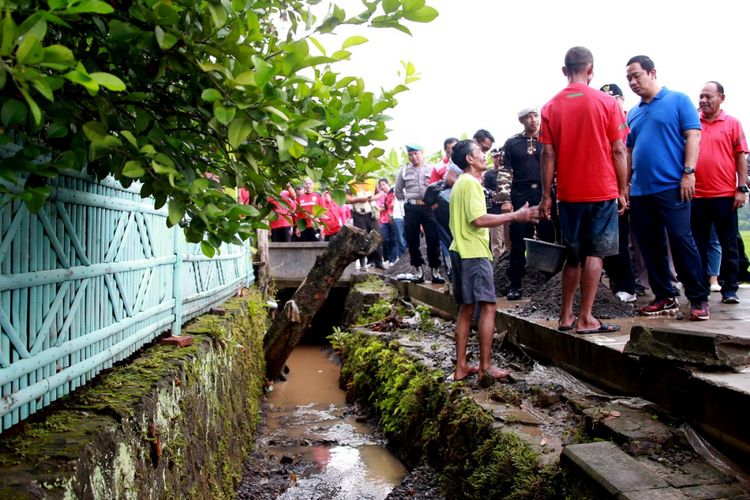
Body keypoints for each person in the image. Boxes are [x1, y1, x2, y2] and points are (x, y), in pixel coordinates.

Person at [539, 46, 628, 334]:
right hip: (601, 190)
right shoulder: (607, 103)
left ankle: (565, 317)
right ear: (590, 70)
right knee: (595, 255)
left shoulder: (550, 107)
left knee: (573, 255)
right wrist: (623, 188)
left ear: (565, 71)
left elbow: (548, 155)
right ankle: (586, 318)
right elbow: (618, 149)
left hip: (568, 194)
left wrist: (546, 196)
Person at [625, 54, 710, 320]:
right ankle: (664, 296)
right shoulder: (635, 113)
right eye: (628, 78)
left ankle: (698, 298)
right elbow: (629, 152)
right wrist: (625, 185)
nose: (632, 82)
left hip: (672, 185)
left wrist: (688, 172)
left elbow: (693, 136)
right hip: (640, 190)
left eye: (636, 75)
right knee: (650, 246)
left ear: (652, 73)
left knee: (682, 240)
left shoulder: (678, 100)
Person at [448, 139, 539, 382]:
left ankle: (461, 366)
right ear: (469, 159)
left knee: (466, 309)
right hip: (474, 253)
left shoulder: (460, 184)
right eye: (479, 152)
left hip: (459, 250)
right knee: (488, 306)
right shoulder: (471, 184)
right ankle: (485, 366)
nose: (483, 155)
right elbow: (478, 219)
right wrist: (516, 215)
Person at [692, 81, 748, 304]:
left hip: (725, 195)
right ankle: (701, 287)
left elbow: (740, 157)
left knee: (728, 244)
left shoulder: (733, 124)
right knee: (698, 245)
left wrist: (741, 188)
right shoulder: (693, 124)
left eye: (709, 96)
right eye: (701, 96)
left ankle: (730, 288)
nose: (703, 100)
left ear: (721, 98)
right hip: (696, 196)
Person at [503, 107, 557, 300]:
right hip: (521, 194)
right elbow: (505, 172)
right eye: (528, 117)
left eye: (535, 115)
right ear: (521, 120)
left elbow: (558, 168)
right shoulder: (512, 143)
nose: (533, 120)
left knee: (549, 237)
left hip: (546, 192)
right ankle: (515, 284)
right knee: (518, 240)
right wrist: (505, 200)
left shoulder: (550, 138)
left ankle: (551, 284)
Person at [599, 83, 638, 303]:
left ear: (622, 98)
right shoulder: (601, 123)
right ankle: (622, 285)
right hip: (610, 189)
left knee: (644, 242)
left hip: (633, 187)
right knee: (615, 241)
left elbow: (627, 153)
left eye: (613, 97)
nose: (609, 102)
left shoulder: (630, 119)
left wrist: (627, 187)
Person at [394, 144, 444, 283]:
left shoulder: (431, 169)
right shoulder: (404, 171)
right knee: (412, 239)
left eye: (416, 153)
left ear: (422, 153)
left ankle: (435, 270)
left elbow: (439, 187)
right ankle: (418, 270)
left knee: (433, 239)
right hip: (411, 208)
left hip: (428, 208)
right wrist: (409, 201)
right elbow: (398, 191)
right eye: (410, 154)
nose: (413, 157)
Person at [347, 177, 386, 269]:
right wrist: (358, 199)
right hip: (358, 213)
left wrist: (372, 198)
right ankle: (362, 264)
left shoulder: (372, 181)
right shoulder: (351, 183)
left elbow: (380, 193)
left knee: (377, 237)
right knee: (361, 238)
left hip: (371, 213)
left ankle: (379, 262)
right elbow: (347, 199)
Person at [483, 147, 512, 257]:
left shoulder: (509, 171)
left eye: (499, 156)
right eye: (495, 157)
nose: (498, 158)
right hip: (495, 211)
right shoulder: (489, 174)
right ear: (492, 158)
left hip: (509, 209)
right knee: (496, 240)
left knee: (509, 238)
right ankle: (497, 265)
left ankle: (507, 260)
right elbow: (485, 190)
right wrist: (495, 195)